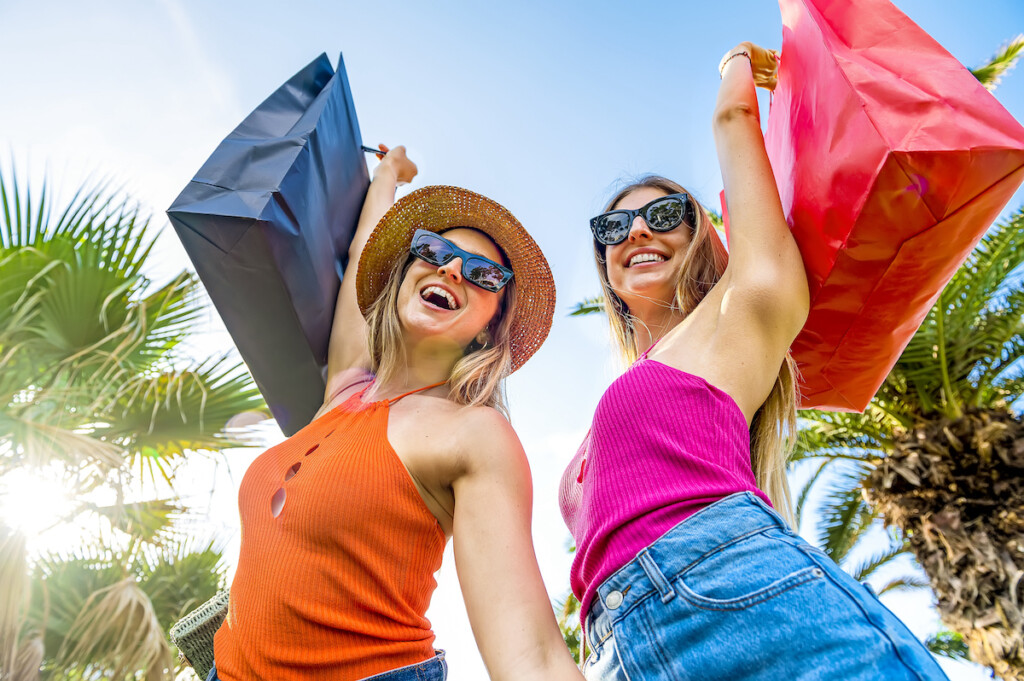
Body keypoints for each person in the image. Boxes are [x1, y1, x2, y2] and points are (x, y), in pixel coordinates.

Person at [559, 44, 949, 680]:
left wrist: (736, 65)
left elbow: (734, 122)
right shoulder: (636, 385)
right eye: (614, 227)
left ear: (707, 238)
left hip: (729, 591)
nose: (635, 232)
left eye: (663, 215)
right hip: (619, 644)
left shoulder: (744, 313)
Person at [210, 145, 584, 681]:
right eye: (432, 249)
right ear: (405, 272)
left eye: (483, 274)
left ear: (489, 324)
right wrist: (388, 174)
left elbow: (533, 657)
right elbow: (365, 248)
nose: (453, 268)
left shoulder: (473, 435)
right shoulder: (345, 390)